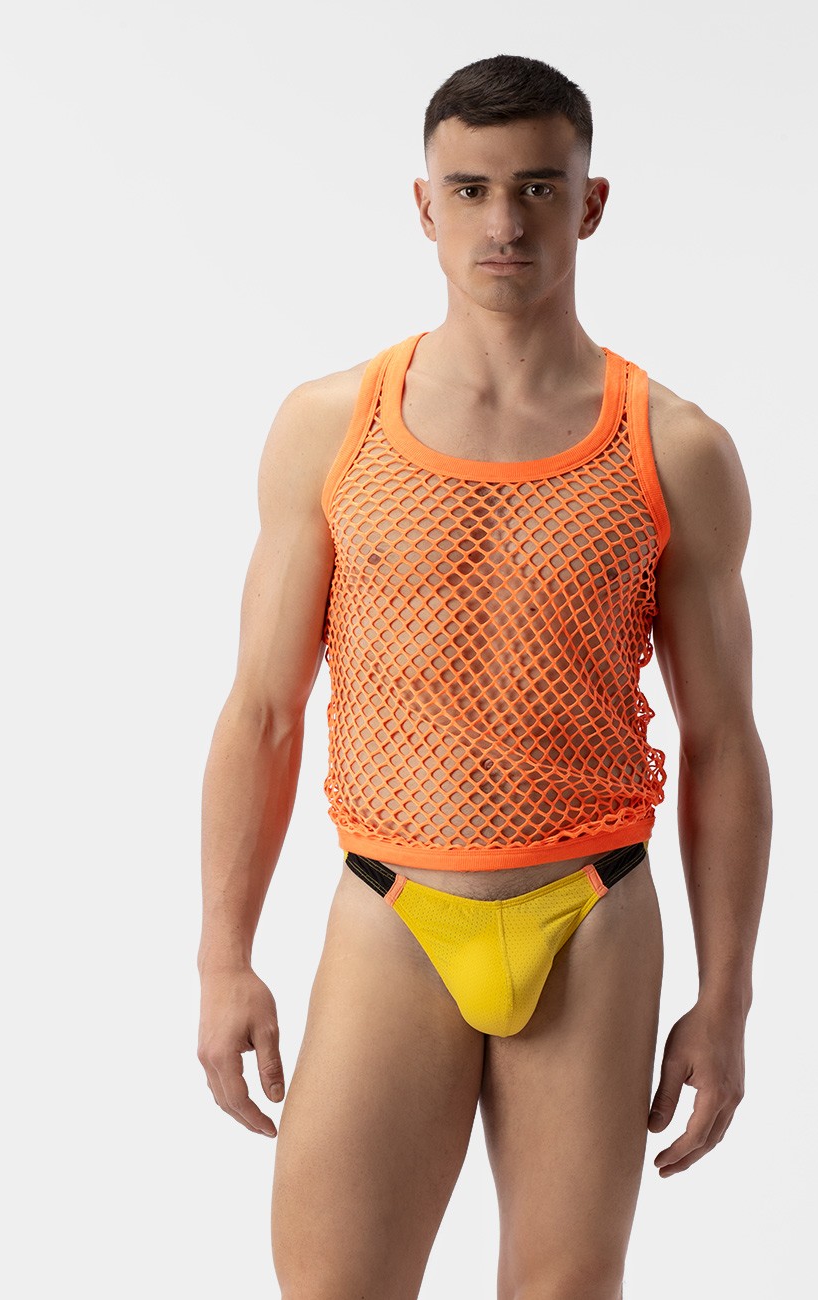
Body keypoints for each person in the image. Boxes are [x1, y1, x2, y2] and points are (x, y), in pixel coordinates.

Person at [197, 52, 772, 1300]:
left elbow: (725, 739)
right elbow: (263, 710)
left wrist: (725, 999)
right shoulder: (330, 424)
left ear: (590, 202)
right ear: (424, 205)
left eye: (536, 189)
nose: (503, 222)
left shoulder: (674, 446)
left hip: (592, 911)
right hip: (393, 905)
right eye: (469, 189)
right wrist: (221, 956)